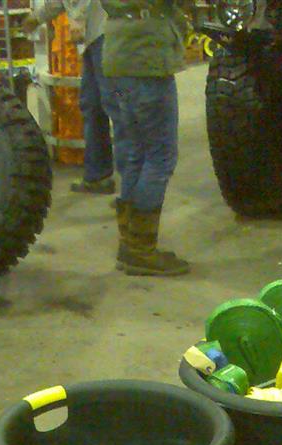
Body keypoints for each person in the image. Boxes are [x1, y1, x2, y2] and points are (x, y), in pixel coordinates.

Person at [99, 0, 189, 276]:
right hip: (145, 62)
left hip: (119, 65)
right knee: (160, 157)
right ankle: (140, 250)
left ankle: (130, 243)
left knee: (137, 151)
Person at [24, 0, 116, 194]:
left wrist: (77, 18)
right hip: (93, 39)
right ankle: (98, 176)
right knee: (92, 106)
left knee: (117, 108)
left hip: (104, 34)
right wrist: (36, 18)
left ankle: (138, 186)